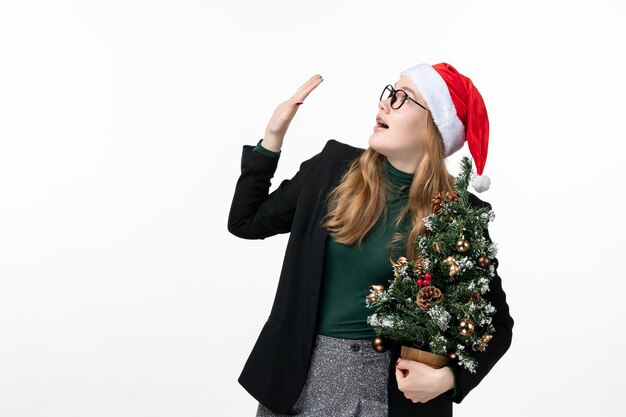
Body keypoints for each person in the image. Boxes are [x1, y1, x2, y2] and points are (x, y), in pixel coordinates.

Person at [227, 63, 514, 417]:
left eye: (403, 98)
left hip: (384, 395)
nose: (385, 104)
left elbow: (498, 326)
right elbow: (245, 221)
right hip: (292, 383)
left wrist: (448, 379)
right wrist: (272, 138)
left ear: (434, 127)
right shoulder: (332, 169)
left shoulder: (457, 215)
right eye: (389, 93)